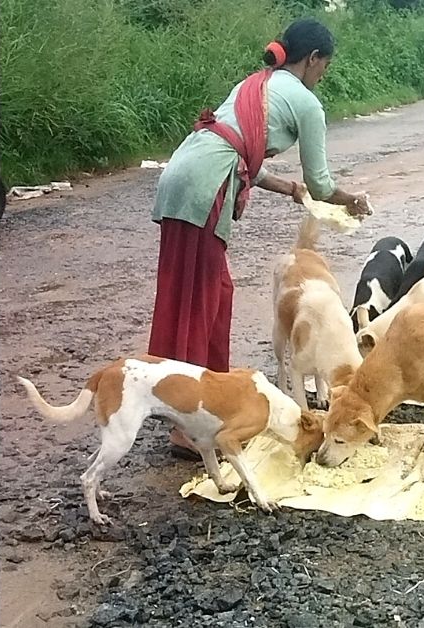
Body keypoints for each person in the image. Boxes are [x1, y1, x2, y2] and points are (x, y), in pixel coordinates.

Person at [146, 18, 371, 455]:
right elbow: (322, 184)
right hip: (203, 187)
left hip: (183, 173)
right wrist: (350, 200)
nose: (323, 75)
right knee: (200, 302)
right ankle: (187, 428)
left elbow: (236, 146)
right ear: (313, 59)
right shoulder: (306, 103)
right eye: (325, 66)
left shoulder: (258, 83)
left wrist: (288, 188)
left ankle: (198, 400)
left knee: (208, 295)